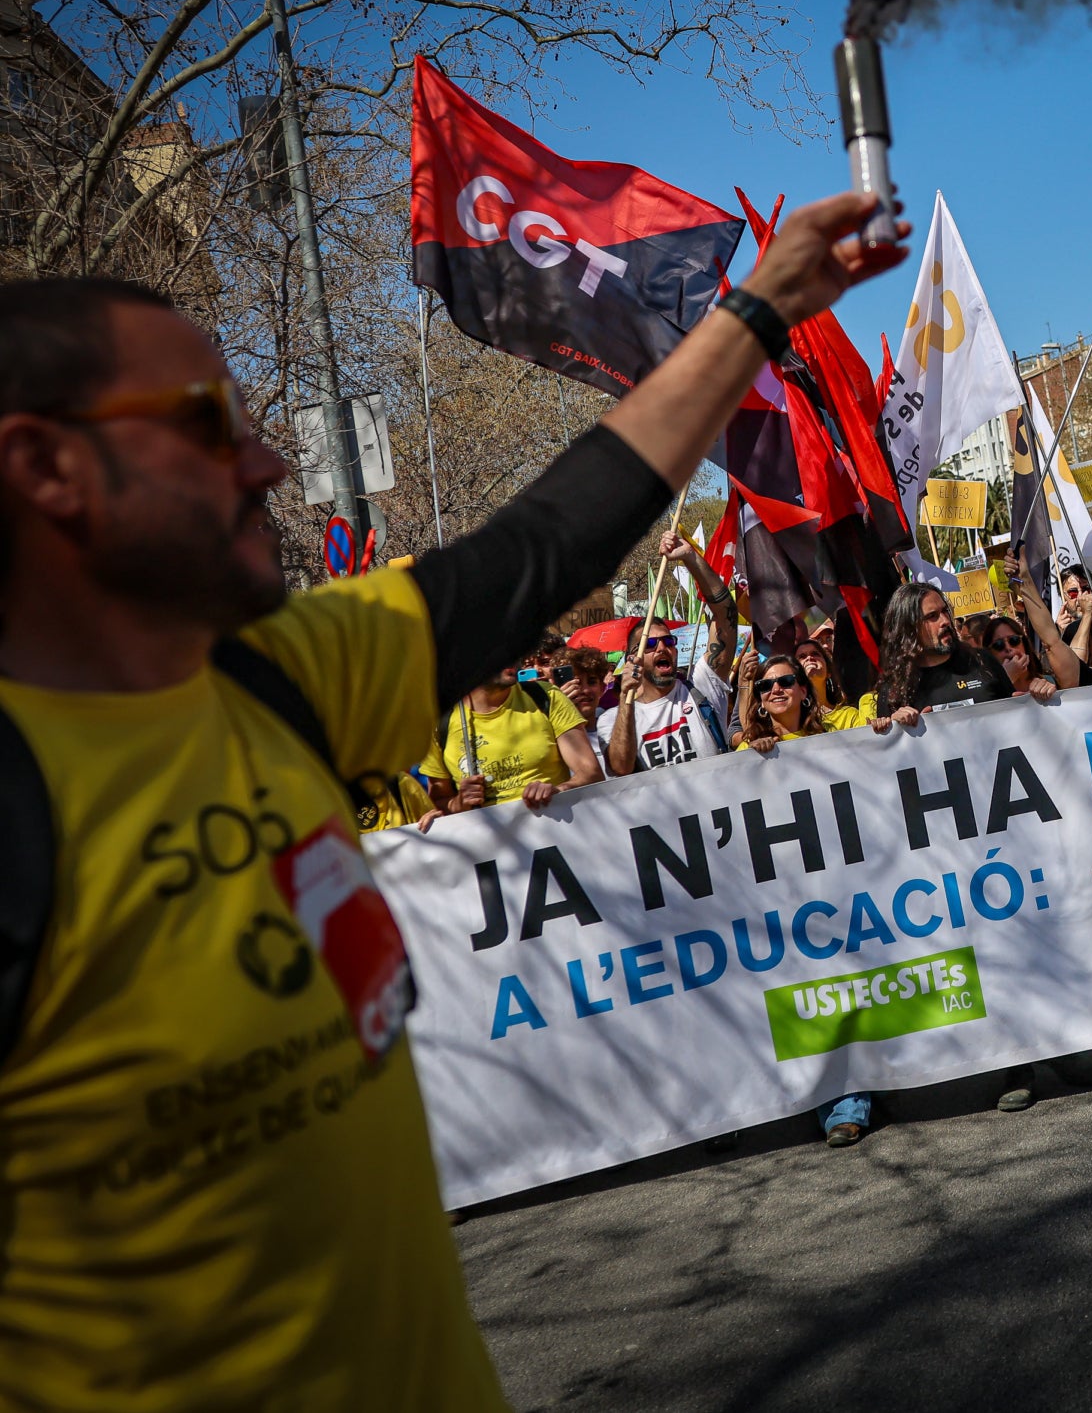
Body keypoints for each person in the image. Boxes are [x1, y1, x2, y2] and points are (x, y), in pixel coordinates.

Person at [0, 186, 907, 1403]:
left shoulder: (288, 681)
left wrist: (763, 306)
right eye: (207, 423)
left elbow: (550, 541)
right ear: (45, 466)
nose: (267, 461)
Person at [600, 529, 739, 776]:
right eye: (650, 644)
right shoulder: (612, 719)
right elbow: (621, 768)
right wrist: (625, 698)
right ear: (632, 658)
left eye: (668, 641)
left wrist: (690, 557)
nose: (662, 648)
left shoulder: (703, 687)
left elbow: (726, 615)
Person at [423, 657, 602, 815]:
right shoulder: (439, 723)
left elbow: (591, 774)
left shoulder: (546, 696)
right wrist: (458, 803)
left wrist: (558, 790)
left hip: (554, 830)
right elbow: (438, 803)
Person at [869, 582, 1032, 729]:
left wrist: (1036, 696)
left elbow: (1020, 720)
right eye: (932, 616)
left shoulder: (982, 661)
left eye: (945, 611)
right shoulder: (895, 690)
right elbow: (892, 749)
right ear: (910, 628)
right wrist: (895, 728)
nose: (945, 620)